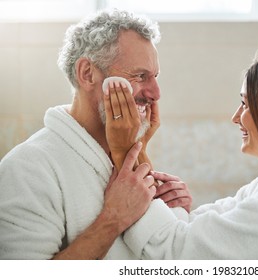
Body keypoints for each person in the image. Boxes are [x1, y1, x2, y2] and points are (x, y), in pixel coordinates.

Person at [0, 9, 191, 260]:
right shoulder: (27, 168)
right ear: (88, 74)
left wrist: (176, 215)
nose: (156, 93)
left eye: (155, 77)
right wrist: (112, 219)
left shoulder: (124, 154)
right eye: (140, 76)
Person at [107, 48, 258, 259]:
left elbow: (175, 255)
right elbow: (189, 231)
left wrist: (124, 151)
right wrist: (139, 150)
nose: (235, 117)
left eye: (245, 104)